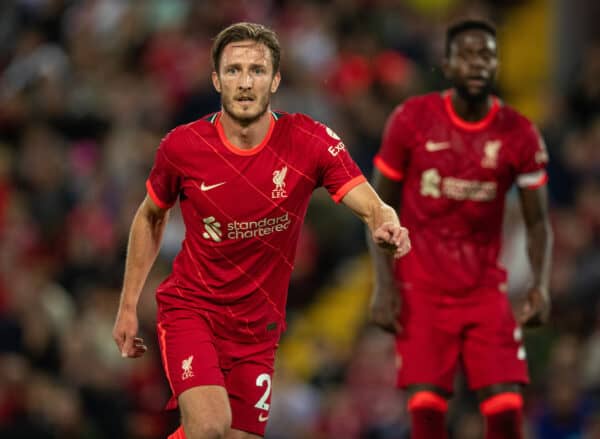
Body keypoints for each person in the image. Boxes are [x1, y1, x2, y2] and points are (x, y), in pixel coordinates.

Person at [112, 22, 411, 439]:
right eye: (233, 70)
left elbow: (369, 202)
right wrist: (128, 306)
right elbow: (149, 216)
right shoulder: (183, 147)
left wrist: (387, 223)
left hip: (258, 328)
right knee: (210, 427)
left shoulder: (310, 140)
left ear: (275, 79)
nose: (245, 82)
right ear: (216, 79)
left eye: (257, 70)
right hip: (193, 311)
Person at [368, 19, 553, 439]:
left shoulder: (519, 133)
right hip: (422, 287)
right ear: (447, 66)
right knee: (427, 408)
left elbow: (538, 220)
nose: (477, 63)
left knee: (506, 406)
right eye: (466, 54)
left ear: (497, 64)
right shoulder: (412, 121)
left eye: (486, 54)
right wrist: (384, 286)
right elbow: (379, 209)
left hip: (486, 287)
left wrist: (540, 284)